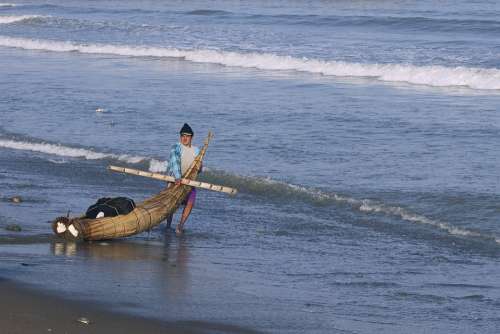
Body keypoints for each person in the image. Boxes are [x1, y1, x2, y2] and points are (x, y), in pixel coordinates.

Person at [166, 123, 201, 235]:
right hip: (175, 180)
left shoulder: (196, 150)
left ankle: (180, 225)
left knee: (190, 203)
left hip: (189, 182)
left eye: (187, 136)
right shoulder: (176, 147)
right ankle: (168, 225)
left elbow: (199, 169)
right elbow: (175, 162)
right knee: (171, 205)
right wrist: (177, 177)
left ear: (191, 137)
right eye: (182, 136)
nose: (184, 138)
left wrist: (200, 167)